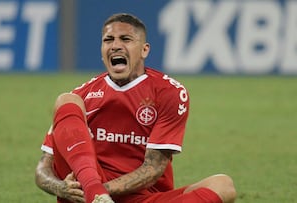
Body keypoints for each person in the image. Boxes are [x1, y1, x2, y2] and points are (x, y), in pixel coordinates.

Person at [35, 13, 237, 203]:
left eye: (126, 39)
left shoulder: (169, 92)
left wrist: (101, 192)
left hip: (139, 197)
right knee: (65, 100)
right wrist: (62, 188)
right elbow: (44, 168)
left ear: (144, 50)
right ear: (101, 50)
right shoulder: (81, 96)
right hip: (86, 192)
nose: (115, 46)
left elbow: (153, 168)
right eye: (108, 40)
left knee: (223, 185)